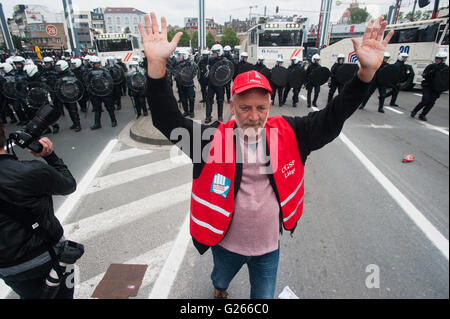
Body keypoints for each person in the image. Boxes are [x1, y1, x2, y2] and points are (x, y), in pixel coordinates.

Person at [139, 13, 393, 299]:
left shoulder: (292, 133)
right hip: (226, 245)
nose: (254, 116)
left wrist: (365, 76)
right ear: (233, 106)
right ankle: (220, 288)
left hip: (268, 248)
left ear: (270, 105)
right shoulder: (210, 140)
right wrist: (157, 65)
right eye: (245, 108)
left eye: (261, 107)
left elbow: (334, 117)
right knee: (220, 279)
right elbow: (166, 119)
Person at [0, 122, 78, 299]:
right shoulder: (31, 171)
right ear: (4, 131)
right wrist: (50, 156)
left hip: (9, 269)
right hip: (49, 256)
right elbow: (68, 185)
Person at [410, 52, 449, 121]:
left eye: (439, 59)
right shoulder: (431, 66)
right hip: (428, 86)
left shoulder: (446, 69)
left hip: (437, 88)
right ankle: (414, 111)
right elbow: (424, 74)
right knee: (425, 100)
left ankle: (423, 115)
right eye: (436, 58)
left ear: (443, 59)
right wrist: (430, 73)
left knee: (431, 102)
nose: (437, 60)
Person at [87, 56, 117, 130]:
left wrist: (109, 90)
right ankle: (97, 123)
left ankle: (113, 121)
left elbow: (110, 80)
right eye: (95, 64)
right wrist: (90, 91)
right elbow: (87, 82)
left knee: (110, 108)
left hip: (105, 92)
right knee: (97, 109)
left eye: (98, 63)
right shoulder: (89, 72)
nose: (97, 65)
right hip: (95, 93)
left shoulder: (104, 71)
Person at [54, 60, 82, 132]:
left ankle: (78, 124)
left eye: (59, 67)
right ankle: (74, 123)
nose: (58, 69)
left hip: (71, 94)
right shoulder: (58, 74)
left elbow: (74, 83)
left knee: (73, 110)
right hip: (63, 94)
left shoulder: (70, 74)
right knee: (69, 110)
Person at [205, 44, 227, 123]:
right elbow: (209, 69)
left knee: (220, 100)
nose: (213, 54)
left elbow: (226, 72)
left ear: (219, 52)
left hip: (220, 83)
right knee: (209, 100)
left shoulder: (224, 60)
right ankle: (208, 116)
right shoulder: (211, 59)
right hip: (211, 82)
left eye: (215, 52)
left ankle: (220, 116)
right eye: (213, 52)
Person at [174, 49, 196, 118]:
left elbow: (193, 73)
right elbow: (176, 72)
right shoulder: (178, 63)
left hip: (189, 84)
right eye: (179, 55)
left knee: (191, 98)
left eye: (180, 55)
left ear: (184, 55)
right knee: (183, 99)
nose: (179, 57)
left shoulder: (190, 63)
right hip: (181, 84)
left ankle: (192, 111)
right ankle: (186, 111)